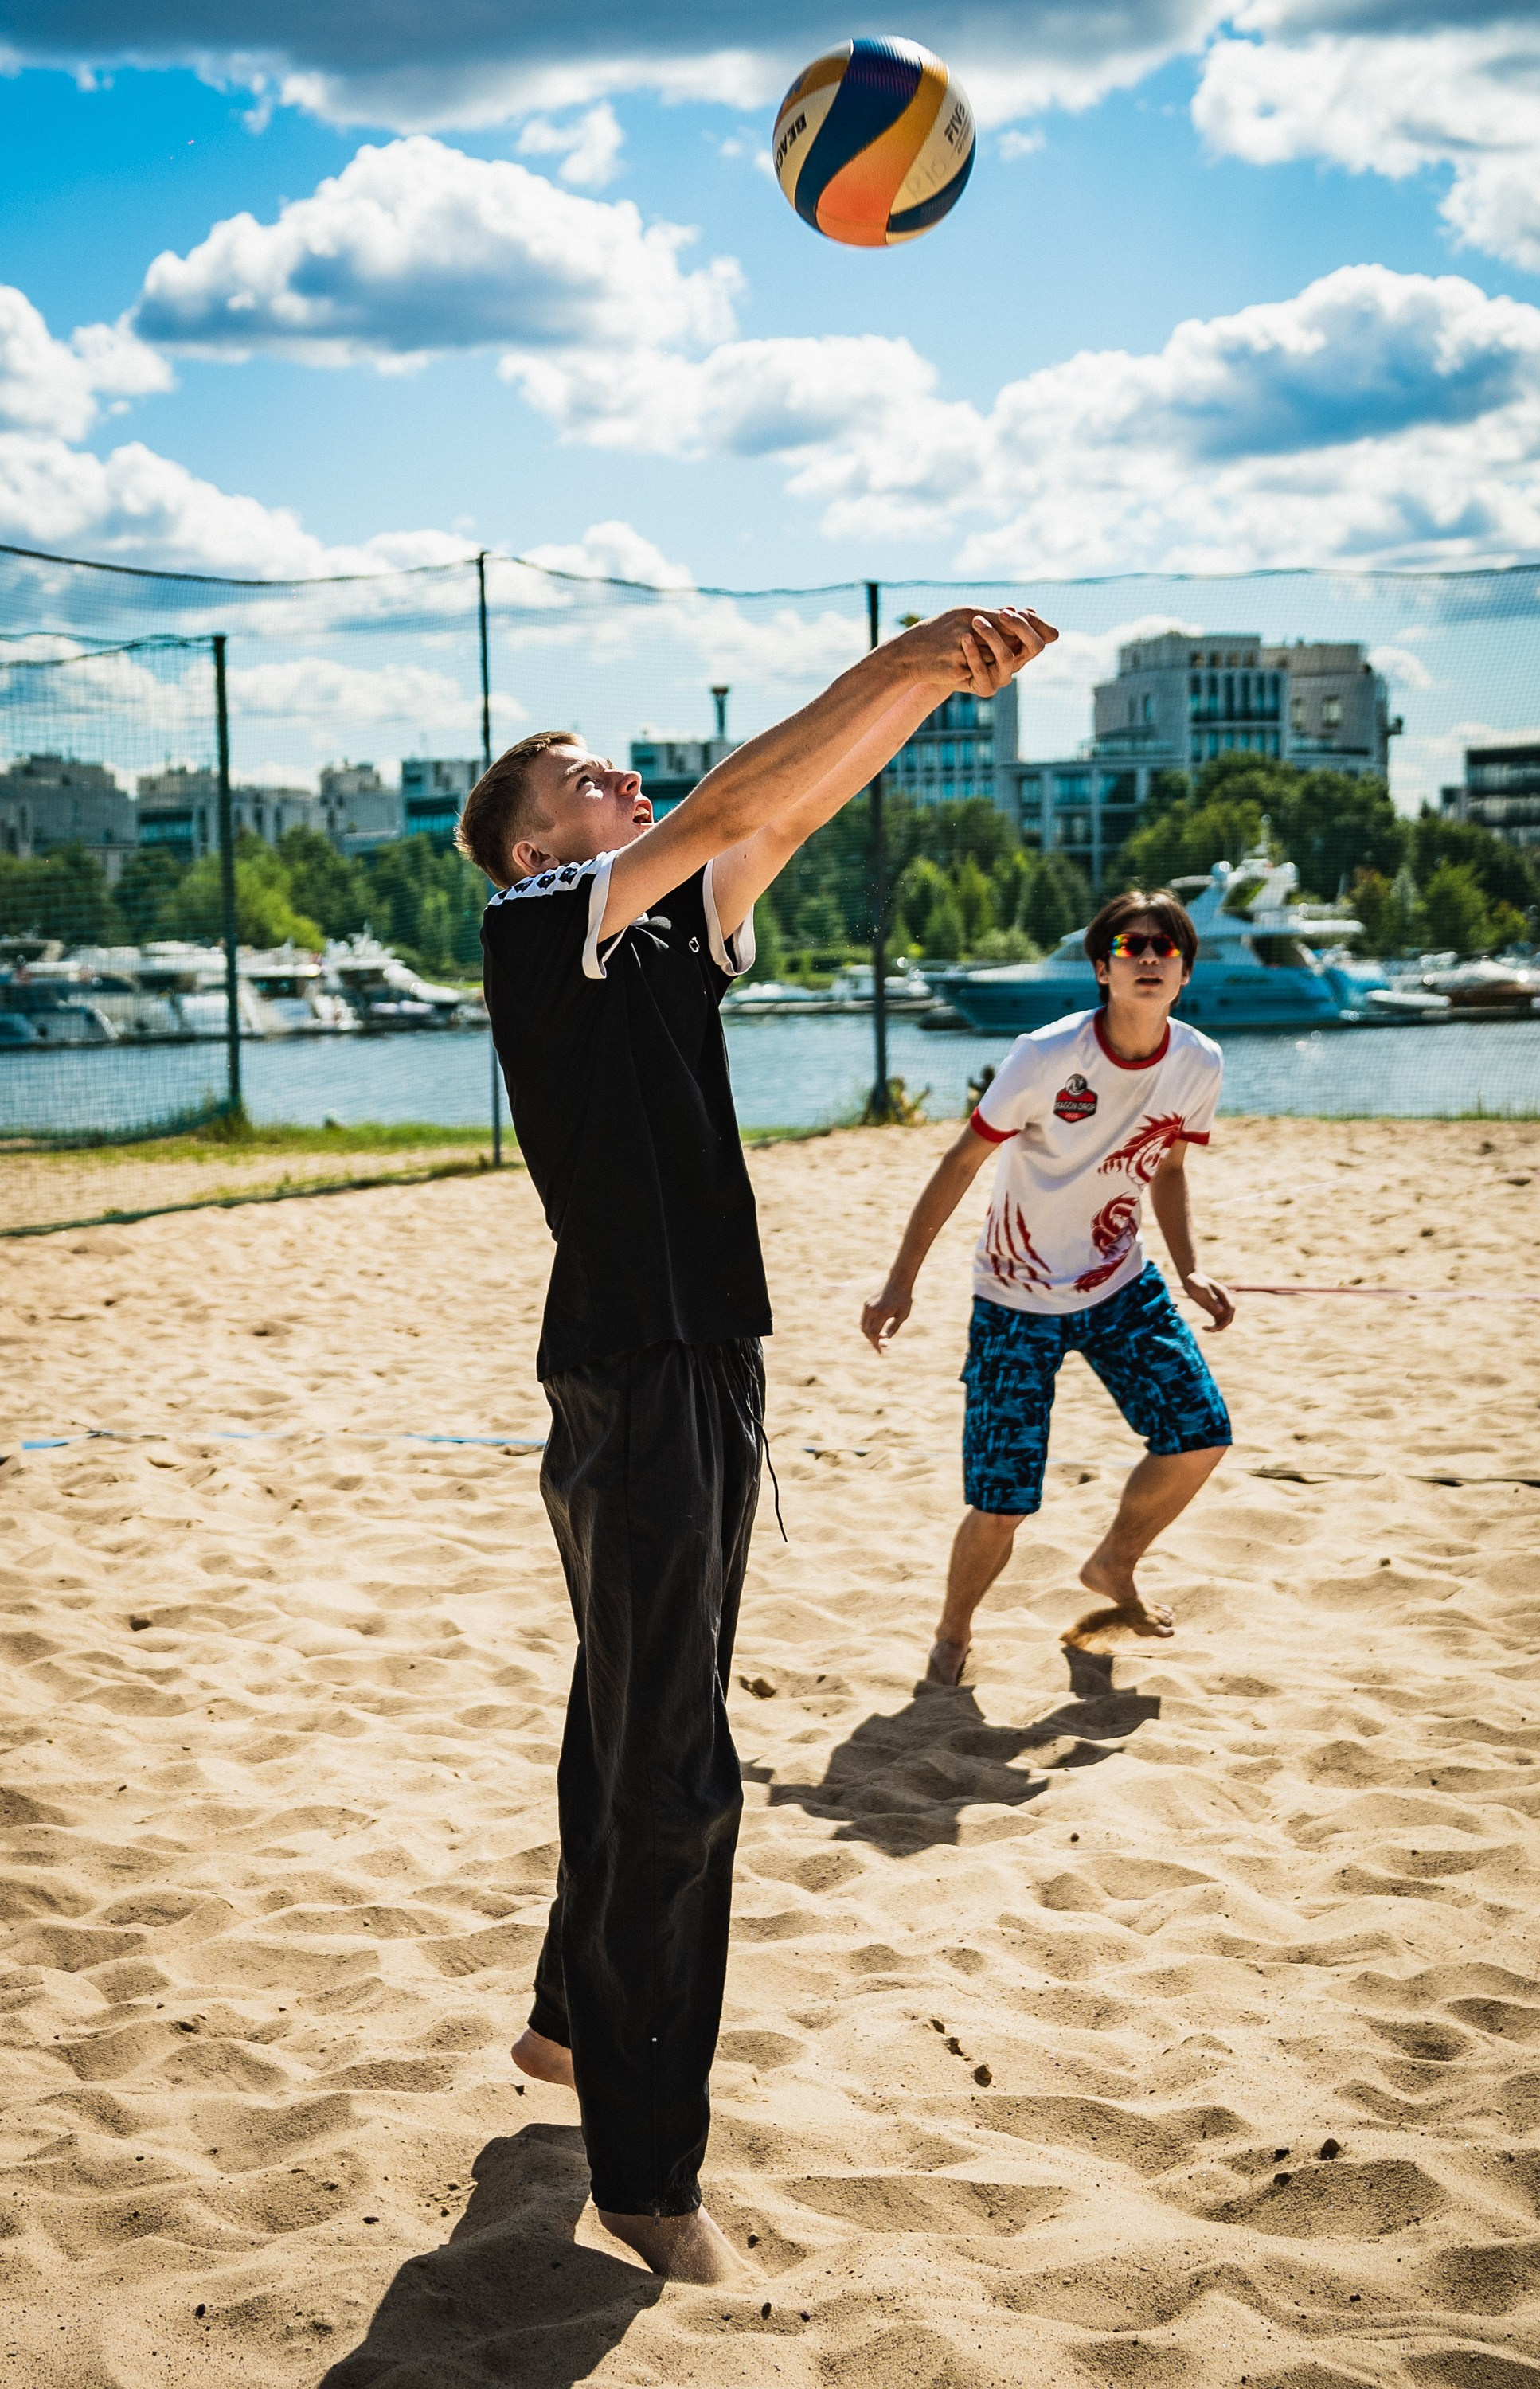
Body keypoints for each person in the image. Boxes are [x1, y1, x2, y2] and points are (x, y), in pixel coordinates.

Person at [454, 603, 1055, 2283]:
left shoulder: (643, 939)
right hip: (635, 1378)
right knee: (675, 1774)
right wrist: (905, 654)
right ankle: (644, 2176)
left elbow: (773, 818)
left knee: (630, 1707)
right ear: (525, 845)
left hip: (694, 1370)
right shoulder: (533, 930)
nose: (619, 778)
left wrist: (926, 696)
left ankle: (572, 2024)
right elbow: (726, 805)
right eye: (584, 776)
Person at [860, 887, 1235, 1684]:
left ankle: (1112, 1563)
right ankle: (953, 1631)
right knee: (1002, 1501)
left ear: (1183, 975)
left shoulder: (1197, 1062)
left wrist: (1190, 1265)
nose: (1144, 959)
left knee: (1199, 1434)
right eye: (1128, 947)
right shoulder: (1044, 1055)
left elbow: (1168, 1168)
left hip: (1119, 1284)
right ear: (1100, 967)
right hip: (1013, 1298)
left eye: (1161, 951)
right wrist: (900, 1282)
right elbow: (960, 1162)